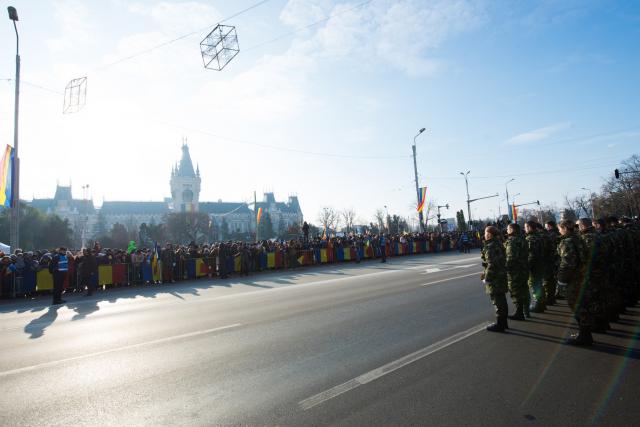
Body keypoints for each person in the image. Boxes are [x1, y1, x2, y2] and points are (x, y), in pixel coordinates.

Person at [557, 219, 591, 345]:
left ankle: (585, 336)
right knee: (582, 305)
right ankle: (585, 334)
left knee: (577, 306)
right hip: (581, 275)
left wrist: (561, 279)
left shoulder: (567, 242)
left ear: (565, 228)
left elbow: (567, 264)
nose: (559, 231)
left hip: (573, 279)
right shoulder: (579, 239)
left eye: (560, 228)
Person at [481, 226, 509, 332]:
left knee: (497, 301)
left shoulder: (490, 246)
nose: (484, 235)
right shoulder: (498, 243)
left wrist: (487, 278)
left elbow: (491, 264)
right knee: (502, 300)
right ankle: (504, 323)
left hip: (495, 277)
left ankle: (500, 325)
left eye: (485, 232)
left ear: (489, 234)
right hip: (501, 275)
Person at [504, 223, 529, 321]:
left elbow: (511, 258)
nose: (506, 231)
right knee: (523, 289)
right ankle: (525, 311)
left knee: (515, 291)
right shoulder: (523, 238)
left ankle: (519, 313)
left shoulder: (512, 241)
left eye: (508, 229)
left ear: (512, 230)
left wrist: (505, 268)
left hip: (515, 270)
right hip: (523, 268)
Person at [525, 221, 545, 314]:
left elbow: (531, 255)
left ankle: (538, 305)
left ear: (529, 227)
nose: (525, 229)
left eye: (526, 227)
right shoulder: (539, 236)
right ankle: (542, 304)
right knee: (539, 284)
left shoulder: (531, 238)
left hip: (534, 266)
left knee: (535, 285)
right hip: (540, 263)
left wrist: (527, 266)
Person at [543, 221, 560, 305]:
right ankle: (552, 297)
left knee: (548, 280)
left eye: (546, 226)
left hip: (551, 259)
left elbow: (548, 247)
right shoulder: (558, 233)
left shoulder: (550, 235)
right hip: (556, 259)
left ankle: (550, 298)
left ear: (549, 226)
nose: (545, 228)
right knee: (553, 280)